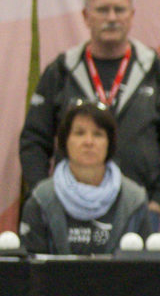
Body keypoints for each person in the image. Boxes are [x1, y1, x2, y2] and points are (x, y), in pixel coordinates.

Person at [19, 0, 160, 232]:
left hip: (137, 212)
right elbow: (34, 140)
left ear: (131, 15)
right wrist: (44, 197)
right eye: (102, 9)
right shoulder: (61, 71)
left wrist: (156, 202)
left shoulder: (157, 72)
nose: (111, 17)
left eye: (119, 9)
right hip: (66, 212)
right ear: (86, 15)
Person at [19, 100, 152, 254]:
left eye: (98, 134)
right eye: (79, 133)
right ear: (64, 141)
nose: (89, 142)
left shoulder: (134, 200)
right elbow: (30, 265)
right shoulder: (40, 200)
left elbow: (145, 264)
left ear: (110, 143)